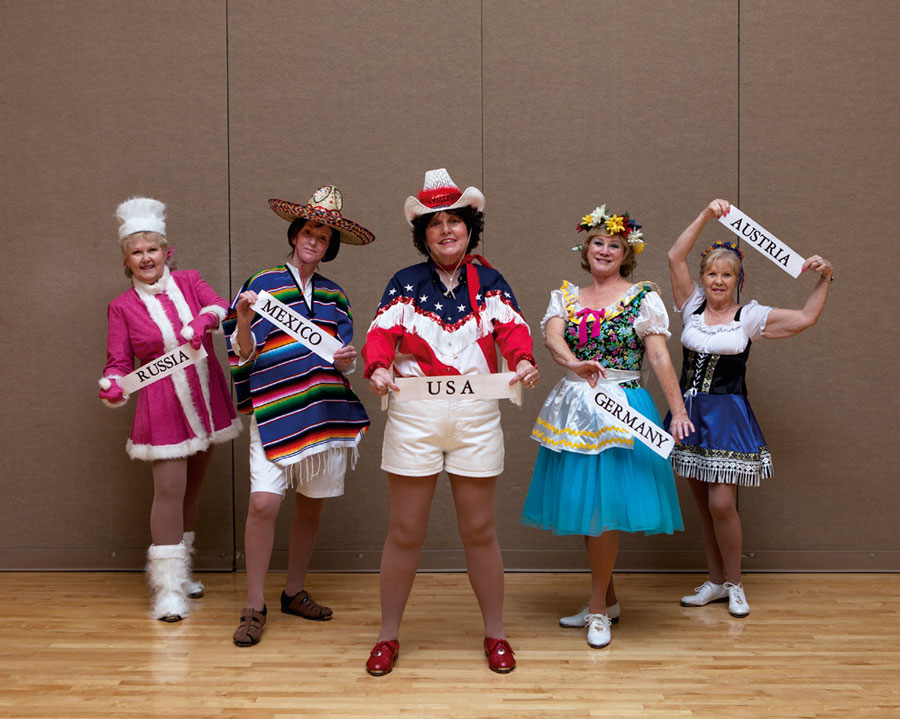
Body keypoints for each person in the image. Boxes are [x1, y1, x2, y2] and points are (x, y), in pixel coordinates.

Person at [362, 168, 539, 675]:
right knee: (405, 530)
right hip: (415, 412)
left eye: (455, 221)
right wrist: (376, 368)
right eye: (435, 223)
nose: (445, 231)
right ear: (423, 234)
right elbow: (380, 336)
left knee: (480, 529)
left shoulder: (492, 282)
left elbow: (513, 331)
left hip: (477, 413)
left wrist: (523, 360)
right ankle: (387, 637)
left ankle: (496, 635)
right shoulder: (403, 283)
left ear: (469, 227)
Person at [520, 204, 693, 649]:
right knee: (587, 507)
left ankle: (598, 609)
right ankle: (607, 599)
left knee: (604, 509)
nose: (604, 250)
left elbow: (657, 356)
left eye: (614, 245)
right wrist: (575, 363)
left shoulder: (642, 297)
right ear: (586, 248)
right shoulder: (566, 296)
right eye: (598, 242)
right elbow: (553, 338)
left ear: (626, 253)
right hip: (577, 407)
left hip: (623, 408)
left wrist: (677, 411)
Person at [666, 199, 834, 618]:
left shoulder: (750, 317)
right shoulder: (691, 307)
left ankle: (736, 584)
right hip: (688, 415)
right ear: (703, 278)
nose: (718, 280)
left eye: (727, 274)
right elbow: (674, 255)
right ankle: (716, 581)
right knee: (703, 505)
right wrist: (706, 215)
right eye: (712, 273)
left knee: (723, 504)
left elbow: (807, 317)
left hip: (727, 418)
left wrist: (826, 277)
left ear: (738, 279)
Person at [225, 186, 373, 647]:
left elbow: (344, 358)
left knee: (311, 503)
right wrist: (246, 320)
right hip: (274, 406)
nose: (315, 240)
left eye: (324, 236)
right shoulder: (262, 284)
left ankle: (293, 591)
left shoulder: (334, 295)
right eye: (309, 231)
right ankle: (254, 604)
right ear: (295, 234)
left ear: (331, 246)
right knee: (264, 503)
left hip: (325, 410)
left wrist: (349, 358)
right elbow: (241, 352)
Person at [98, 197, 241, 621]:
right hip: (161, 405)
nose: (146, 258)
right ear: (127, 260)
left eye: (152, 249)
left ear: (167, 252)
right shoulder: (122, 308)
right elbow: (119, 362)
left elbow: (219, 304)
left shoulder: (191, 280)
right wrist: (112, 384)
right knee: (169, 490)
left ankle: (183, 573)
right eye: (136, 252)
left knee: (192, 489)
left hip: (206, 396)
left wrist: (204, 321)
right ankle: (167, 589)